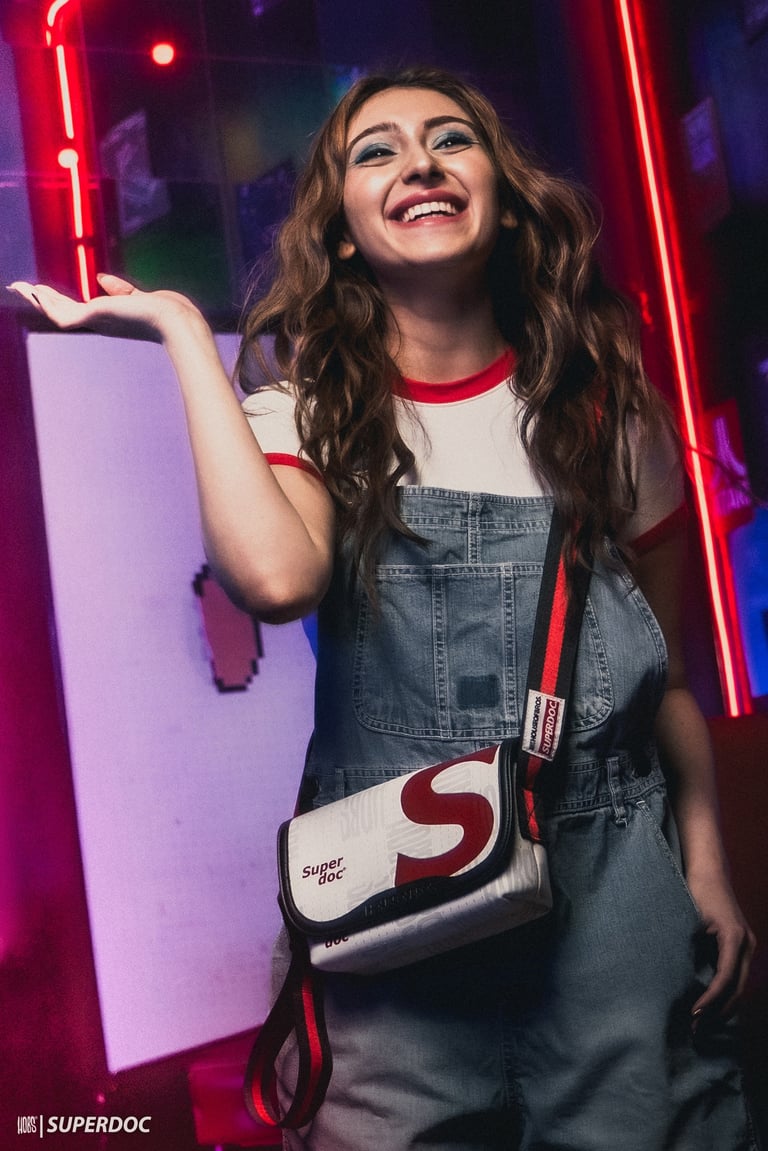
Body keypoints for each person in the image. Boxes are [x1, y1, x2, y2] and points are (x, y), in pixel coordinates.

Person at [10, 65, 758, 1151]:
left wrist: (708, 871)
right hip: (392, 921)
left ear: (504, 199)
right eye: (378, 151)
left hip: (615, 915)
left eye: (450, 140)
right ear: (345, 233)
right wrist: (181, 331)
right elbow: (274, 582)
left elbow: (672, 682)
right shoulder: (310, 414)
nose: (418, 162)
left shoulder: (611, 412)